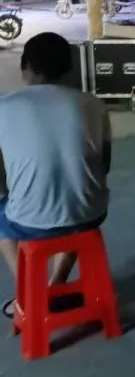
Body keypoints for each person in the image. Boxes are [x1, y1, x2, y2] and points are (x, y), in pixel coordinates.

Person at [0, 33, 111, 314]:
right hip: (90, 213)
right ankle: (56, 284)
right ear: (68, 68)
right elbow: (105, 166)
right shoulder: (94, 104)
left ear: (25, 66)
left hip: (29, 220)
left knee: (4, 217)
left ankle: (29, 295)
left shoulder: (5, 106)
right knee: (75, 198)